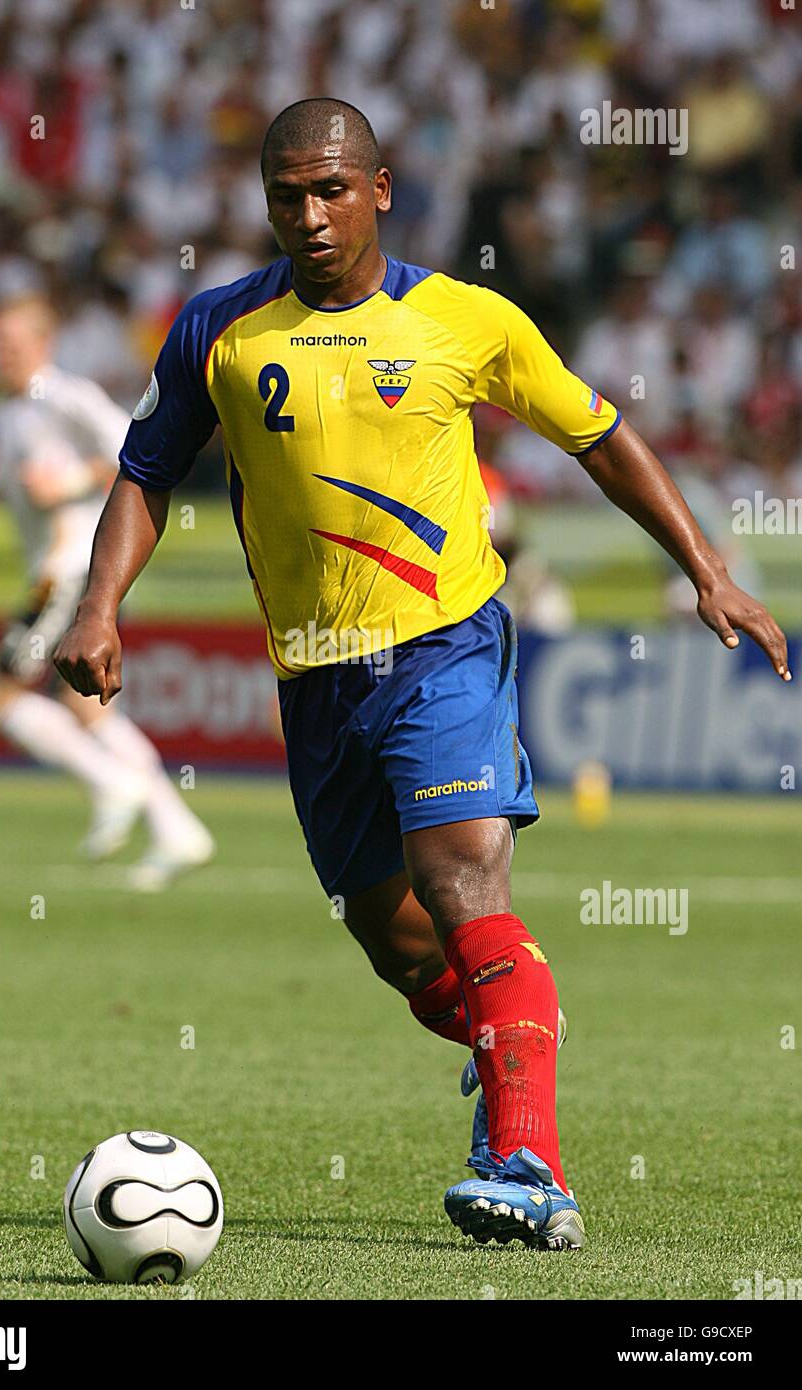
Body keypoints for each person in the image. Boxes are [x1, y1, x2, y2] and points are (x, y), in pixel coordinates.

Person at [54, 100, 791, 1249]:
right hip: (315, 678)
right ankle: (518, 1026)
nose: (310, 214)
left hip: (445, 643)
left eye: (332, 189)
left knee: (460, 881)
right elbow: (147, 470)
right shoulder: (219, 330)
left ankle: (527, 1159)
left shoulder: (468, 320)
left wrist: (708, 570)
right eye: (288, 194)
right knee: (398, 944)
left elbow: (598, 433)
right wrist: (100, 602)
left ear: (381, 190)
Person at [0, 294, 214, 892]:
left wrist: (67, 481)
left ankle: (114, 785)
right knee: (83, 704)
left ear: (43, 345)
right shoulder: (10, 412)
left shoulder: (66, 396)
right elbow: (16, 488)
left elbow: (136, 450)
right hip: (56, 571)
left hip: (73, 572)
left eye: (7, 343)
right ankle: (177, 828)